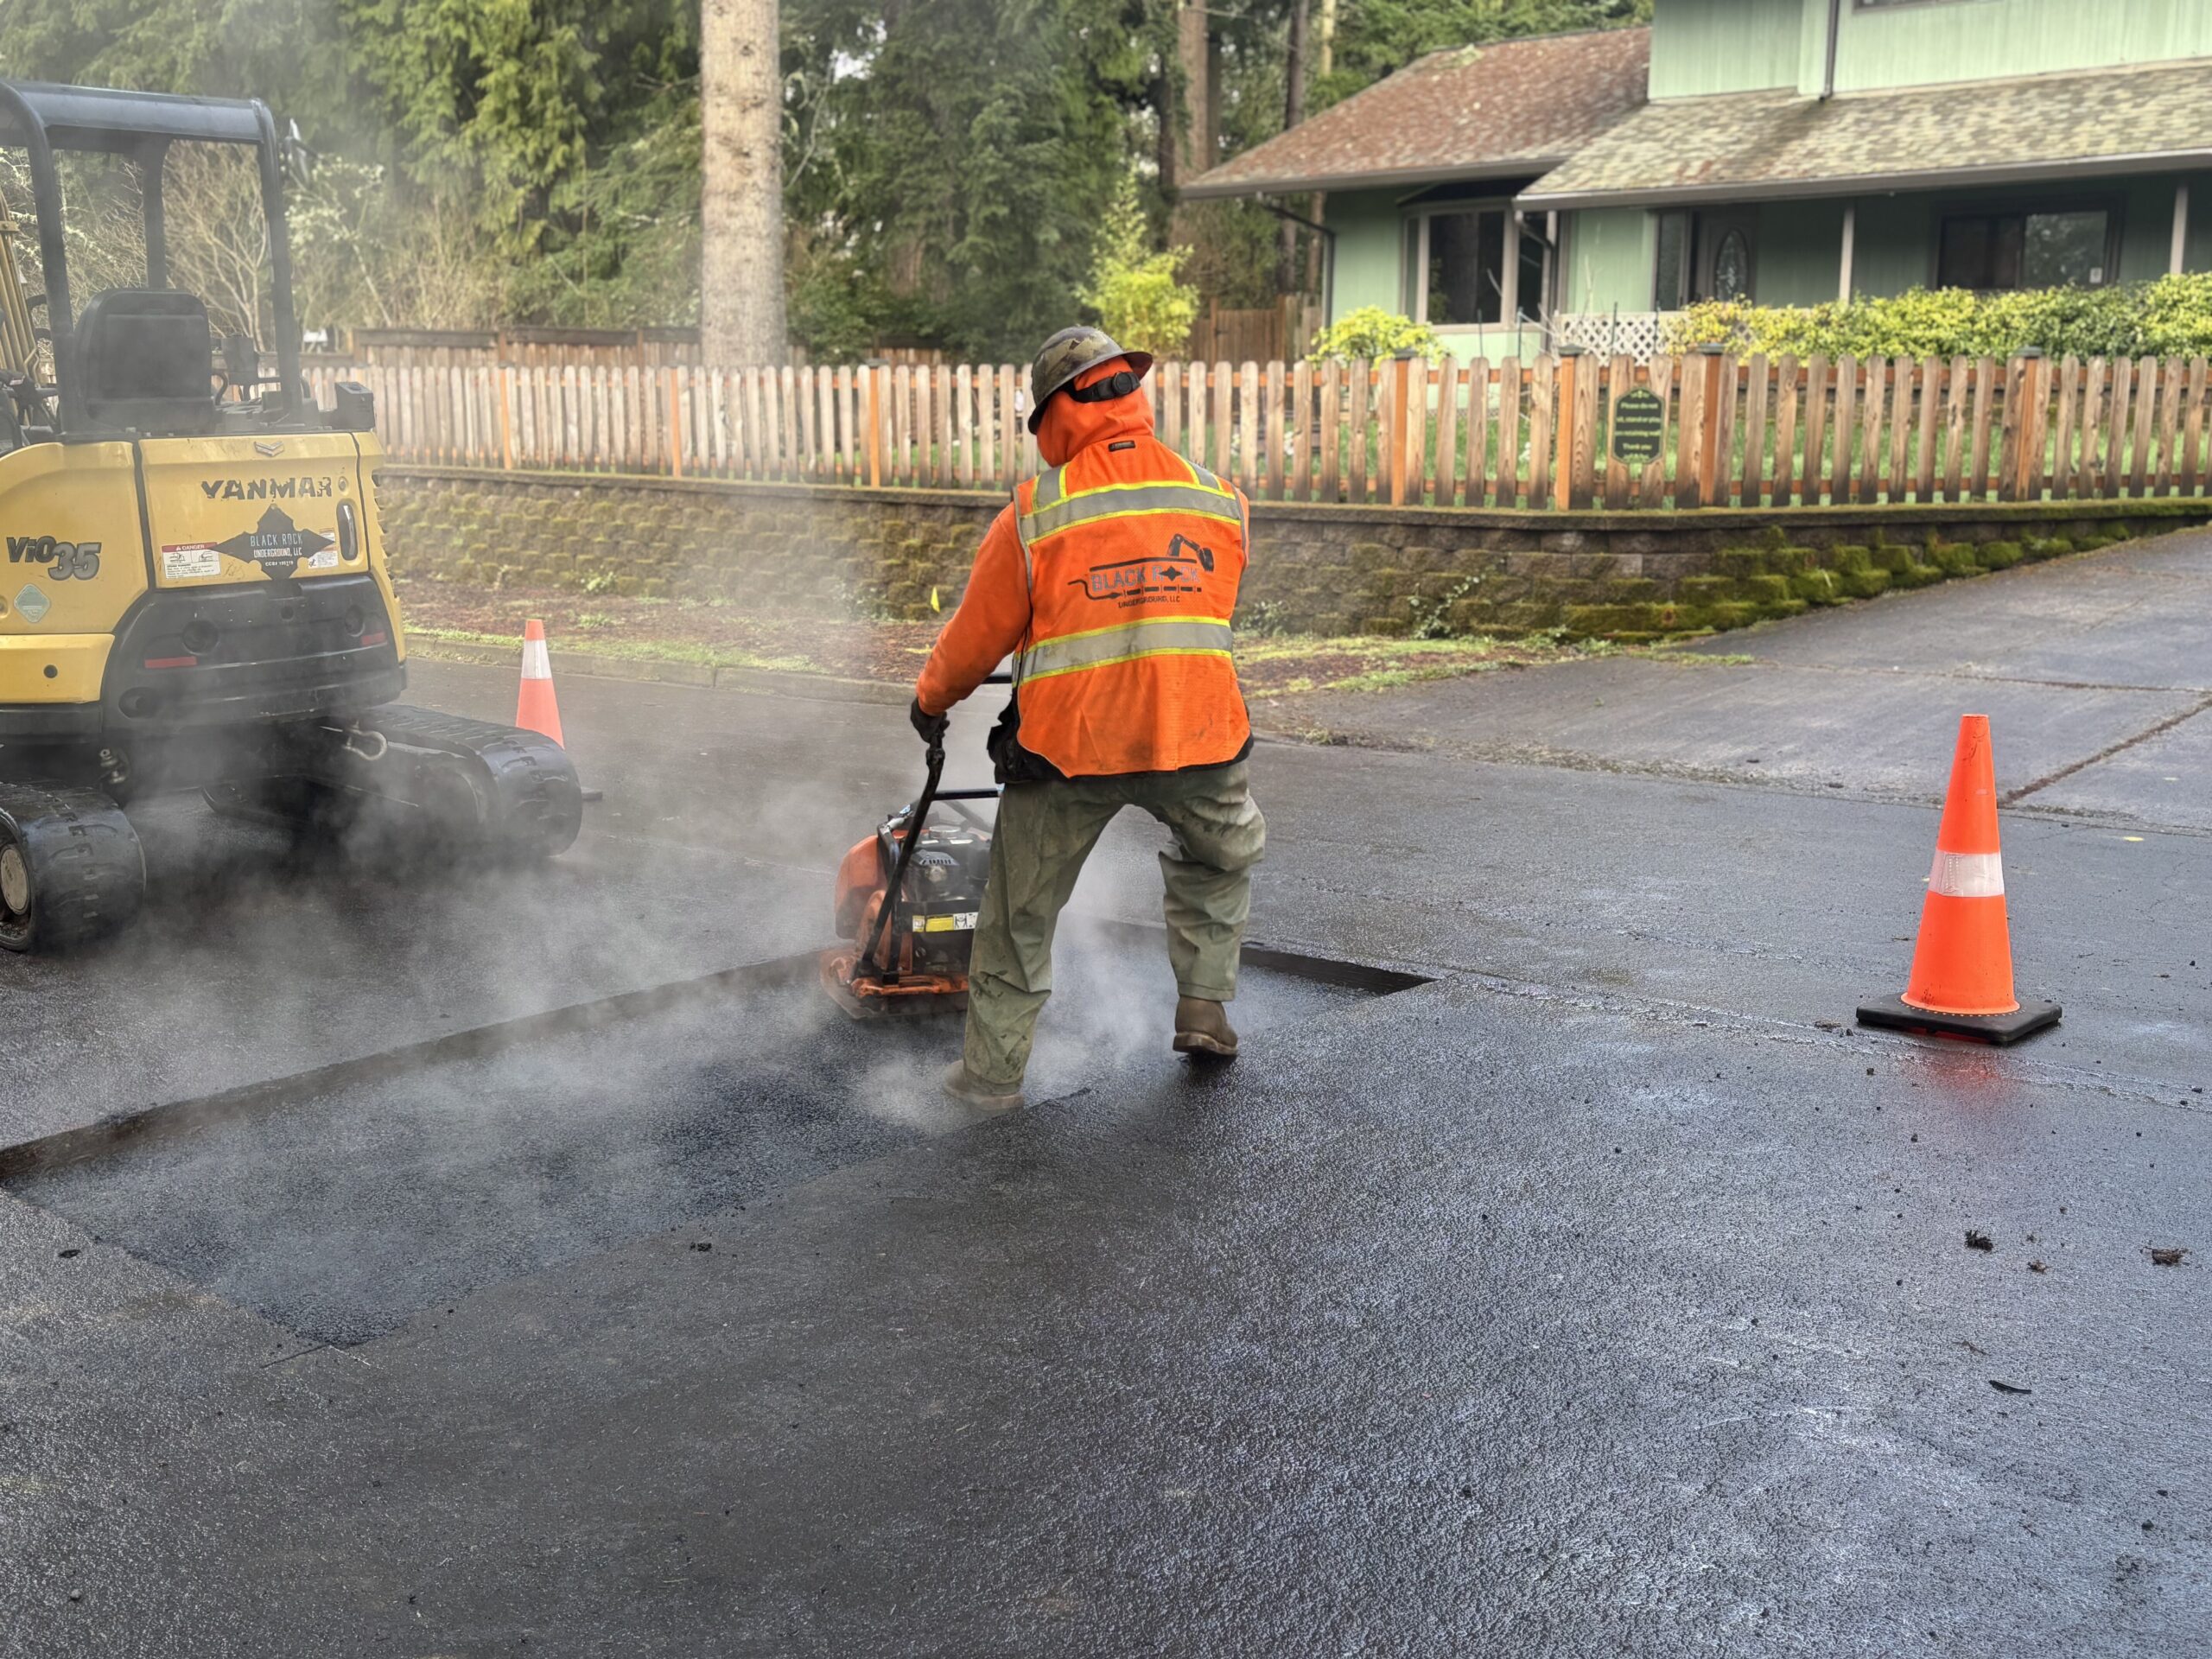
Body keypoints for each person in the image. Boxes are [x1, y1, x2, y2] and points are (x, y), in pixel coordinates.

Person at [911, 326, 1266, 1111]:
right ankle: (1204, 1007)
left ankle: (991, 1079)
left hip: (1070, 750)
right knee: (1218, 861)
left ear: (1054, 415)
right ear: (1130, 396)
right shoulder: (1219, 498)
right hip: (1199, 735)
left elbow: (976, 639)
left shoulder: (1035, 514)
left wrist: (931, 700)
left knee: (1019, 915)